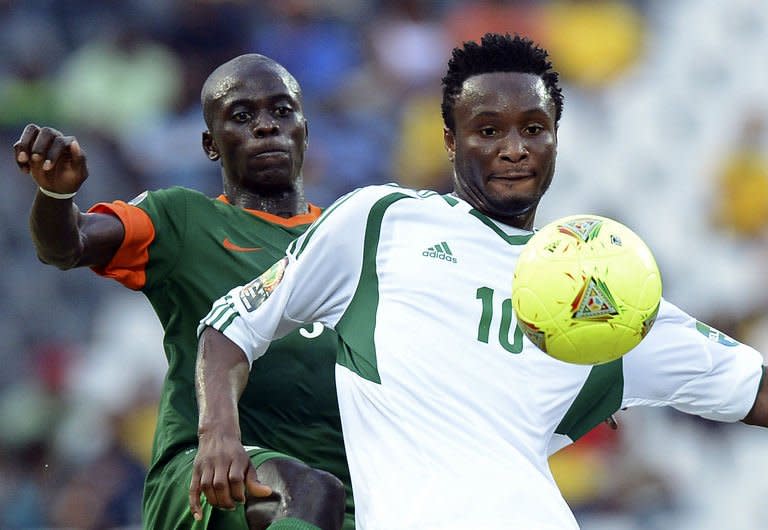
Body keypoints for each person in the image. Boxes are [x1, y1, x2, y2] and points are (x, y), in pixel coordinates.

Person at [192, 34, 768, 529]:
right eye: (488, 129)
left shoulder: (606, 293)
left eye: (534, 128)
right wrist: (218, 431)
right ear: (449, 140)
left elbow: (750, 388)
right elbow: (231, 326)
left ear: (556, 137)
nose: (514, 149)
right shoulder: (381, 223)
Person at [14, 54, 353, 530]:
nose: (265, 127)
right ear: (210, 145)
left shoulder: (348, 238)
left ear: (304, 130)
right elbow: (66, 246)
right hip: (210, 473)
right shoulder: (182, 218)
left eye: (282, 111)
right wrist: (55, 196)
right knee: (307, 493)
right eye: (242, 116)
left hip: (341, 489)